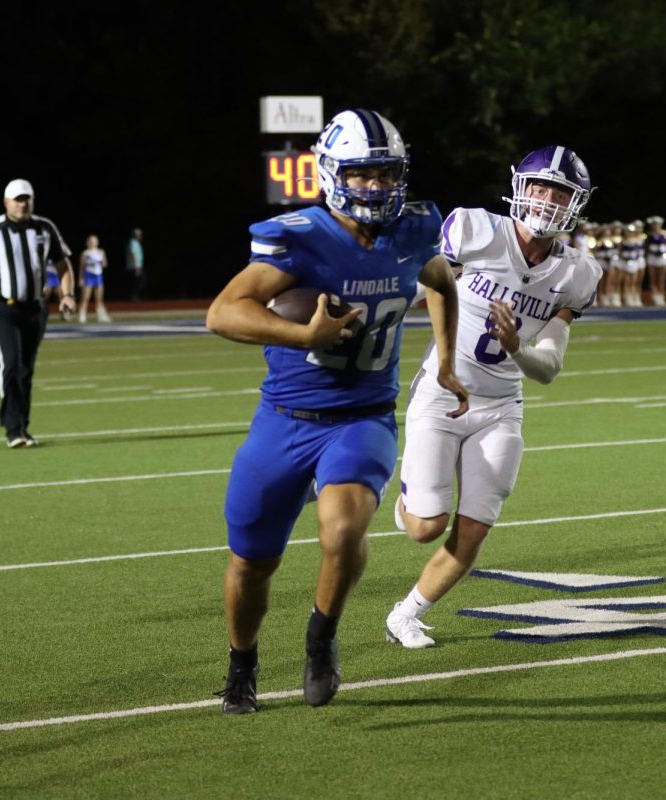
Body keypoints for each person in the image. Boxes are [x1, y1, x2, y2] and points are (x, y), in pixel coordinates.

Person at [205, 109, 468, 714]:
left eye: (385, 173)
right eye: (362, 174)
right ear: (331, 173)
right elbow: (223, 312)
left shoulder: (414, 229)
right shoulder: (299, 236)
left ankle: (320, 641)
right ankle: (241, 663)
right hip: (285, 420)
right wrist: (304, 336)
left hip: (362, 418)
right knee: (251, 564)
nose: (376, 187)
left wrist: (447, 360)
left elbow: (441, 281)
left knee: (344, 529)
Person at [385, 145, 602, 649]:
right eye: (541, 187)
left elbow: (547, 368)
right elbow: (421, 286)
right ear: (521, 187)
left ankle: (407, 614)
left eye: (561, 192)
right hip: (443, 389)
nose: (548, 200)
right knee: (424, 527)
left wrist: (517, 347)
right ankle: (408, 498)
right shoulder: (475, 229)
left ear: (577, 203)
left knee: (475, 527)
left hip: (502, 405)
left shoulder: (577, 273)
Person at [0, 179, 77, 447]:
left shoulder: (44, 228)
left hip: (35, 307)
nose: (22, 204)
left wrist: (67, 295)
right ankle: (12, 428)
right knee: (11, 363)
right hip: (4, 306)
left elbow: (63, 264)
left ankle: (23, 426)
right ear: (6, 202)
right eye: (17, 199)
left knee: (26, 370)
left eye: (26, 199)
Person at [78, 234, 111, 322]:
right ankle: (82, 315)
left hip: (98, 276)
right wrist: (81, 279)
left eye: (94, 241)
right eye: (91, 241)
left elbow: (105, 264)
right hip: (88, 276)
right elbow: (81, 267)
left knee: (99, 298)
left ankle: (100, 316)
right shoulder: (85, 253)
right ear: (87, 242)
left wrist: (101, 262)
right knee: (85, 298)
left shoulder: (101, 252)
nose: (93, 243)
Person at [645, 215, 666, 306]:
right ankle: (655, 297)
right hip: (652, 257)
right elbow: (646, 247)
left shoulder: (665, 234)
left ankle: (661, 297)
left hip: (663, 257)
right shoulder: (649, 235)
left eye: (657, 224)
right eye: (654, 224)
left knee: (661, 279)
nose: (655, 226)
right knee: (653, 278)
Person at [126, 228, 145, 300]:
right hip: (134, 267)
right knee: (136, 282)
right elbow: (133, 254)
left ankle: (135, 296)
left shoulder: (136, 243)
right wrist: (136, 266)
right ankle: (133, 297)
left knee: (138, 281)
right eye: (138, 235)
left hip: (137, 266)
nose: (140, 236)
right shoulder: (133, 242)